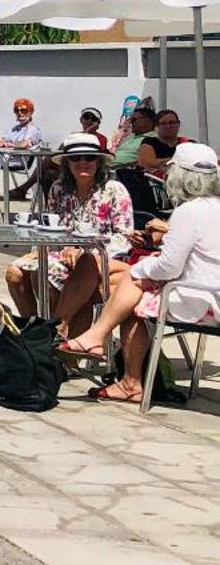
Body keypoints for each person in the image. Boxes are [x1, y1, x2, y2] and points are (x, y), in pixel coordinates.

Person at [61, 141, 220, 401]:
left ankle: (119, 368)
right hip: (211, 290)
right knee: (125, 278)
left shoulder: (189, 212)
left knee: (134, 294)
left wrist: (141, 267)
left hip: (201, 297)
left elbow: (169, 267)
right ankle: (95, 340)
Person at [4, 133, 137, 333]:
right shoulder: (58, 189)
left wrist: (86, 252)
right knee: (14, 273)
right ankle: (34, 331)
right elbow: (50, 227)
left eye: (89, 158)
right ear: (67, 164)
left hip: (102, 259)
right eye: (76, 158)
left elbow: (123, 237)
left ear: (99, 162)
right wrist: (43, 249)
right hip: (60, 254)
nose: (83, 163)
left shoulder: (115, 190)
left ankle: (58, 334)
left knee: (48, 276)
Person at [139, 108, 185, 179]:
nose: (168, 126)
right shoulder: (149, 142)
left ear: (178, 124)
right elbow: (146, 163)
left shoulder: (187, 143)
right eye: (163, 123)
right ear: (156, 126)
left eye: (172, 122)